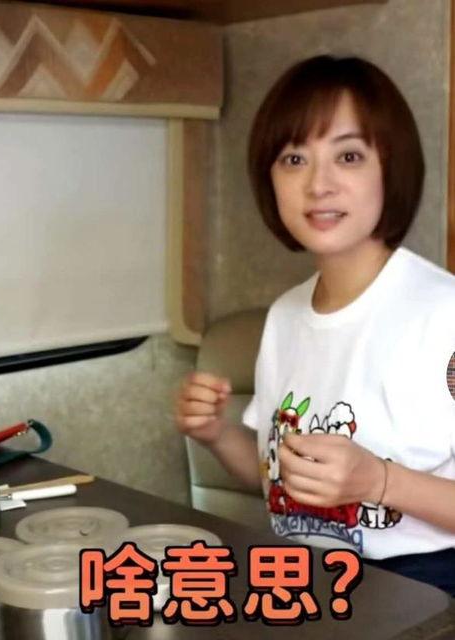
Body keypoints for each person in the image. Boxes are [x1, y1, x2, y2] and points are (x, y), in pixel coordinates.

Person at [175, 55, 455, 596]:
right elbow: (276, 478)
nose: (318, 184)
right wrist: (216, 434)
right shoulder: (285, 316)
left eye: (348, 156)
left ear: (391, 168)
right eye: (294, 158)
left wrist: (379, 482)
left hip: (426, 590)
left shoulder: (444, 312)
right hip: (308, 577)